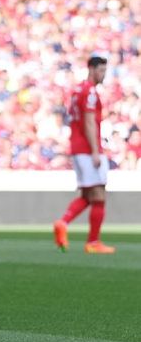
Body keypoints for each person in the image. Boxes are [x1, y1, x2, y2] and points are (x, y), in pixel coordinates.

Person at [54, 54, 115, 254]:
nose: (103, 74)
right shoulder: (89, 91)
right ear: (91, 69)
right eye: (101, 70)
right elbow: (89, 122)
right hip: (88, 150)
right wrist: (96, 151)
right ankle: (93, 242)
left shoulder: (78, 90)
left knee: (88, 195)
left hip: (78, 148)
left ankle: (63, 223)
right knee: (99, 196)